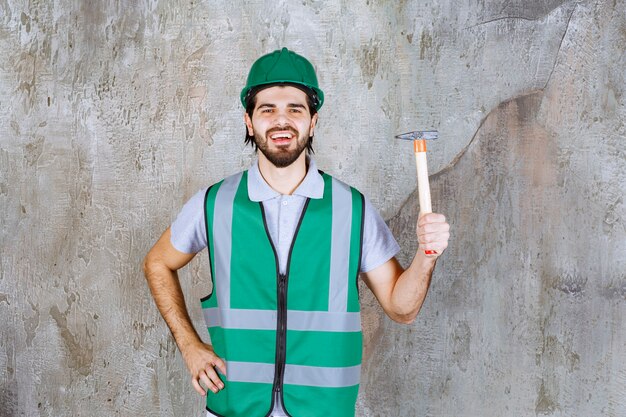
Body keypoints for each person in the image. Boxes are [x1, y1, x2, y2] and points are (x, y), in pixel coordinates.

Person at [143, 47, 450, 417]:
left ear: (313, 121)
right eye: (267, 109)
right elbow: (157, 263)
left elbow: (402, 309)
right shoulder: (215, 203)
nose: (281, 121)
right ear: (248, 120)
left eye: (295, 108)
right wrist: (190, 346)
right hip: (234, 408)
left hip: (323, 410)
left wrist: (425, 257)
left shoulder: (351, 209)